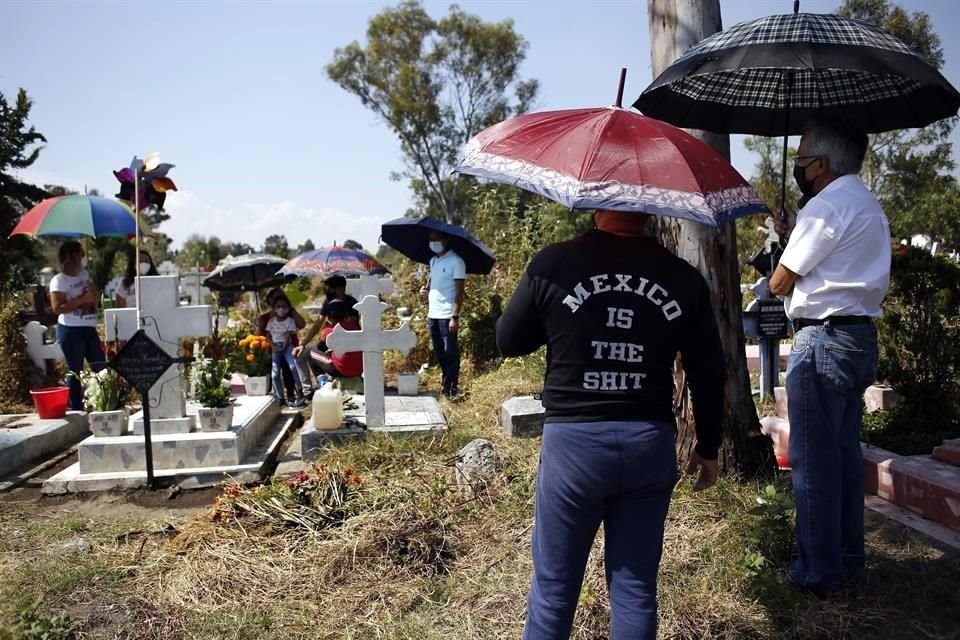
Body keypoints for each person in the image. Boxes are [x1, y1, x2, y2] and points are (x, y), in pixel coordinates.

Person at [497, 210, 724, 640]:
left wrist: (563, 319)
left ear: (597, 203)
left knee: (554, 590)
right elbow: (709, 372)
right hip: (647, 443)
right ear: (653, 209)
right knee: (635, 589)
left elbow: (509, 339)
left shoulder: (554, 264)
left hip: (574, 448)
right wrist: (708, 447)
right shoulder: (683, 277)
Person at [771, 117, 890, 598]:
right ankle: (846, 562)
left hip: (822, 340)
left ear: (819, 164)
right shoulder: (864, 202)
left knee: (813, 463)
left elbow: (782, 280)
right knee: (841, 458)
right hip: (858, 336)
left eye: (801, 158)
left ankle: (816, 572)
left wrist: (784, 255)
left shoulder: (827, 205)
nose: (798, 166)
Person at [48, 241, 105, 410]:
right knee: (75, 370)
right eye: (80, 253)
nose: (83, 257)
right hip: (70, 330)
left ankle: (105, 401)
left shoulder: (85, 275)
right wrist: (81, 300)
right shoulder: (59, 281)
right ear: (72, 255)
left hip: (89, 328)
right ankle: (76, 407)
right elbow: (57, 308)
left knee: (100, 366)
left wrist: (93, 294)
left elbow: (94, 300)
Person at [419, 231, 465, 398]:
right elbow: (433, 286)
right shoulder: (433, 261)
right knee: (440, 353)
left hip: (447, 316)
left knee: (450, 353)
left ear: (445, 240)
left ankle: (452, 388)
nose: (432, 243)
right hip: (433, 315)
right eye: (430, 240)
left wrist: (455, 316)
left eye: (436, 239)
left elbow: (460, 292)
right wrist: (425, 292)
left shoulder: (456, 262)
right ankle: (446, 384)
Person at [293, 275, 359, 389]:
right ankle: (324, 381)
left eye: (332, 289)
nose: (329, 292)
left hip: (349, 345)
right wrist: (302, 344)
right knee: (318, 349)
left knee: (313, 352)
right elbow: (317, 325)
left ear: (341, 288)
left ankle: (325, 383)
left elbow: (354, 329)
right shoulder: (329, 302)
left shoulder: (352, 303)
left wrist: (332, 328)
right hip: (335, 341)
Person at [258, 287, 306, 397]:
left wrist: (291, 310)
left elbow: (302, 324)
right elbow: (262, 334)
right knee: (274, 372)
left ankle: (293, 393)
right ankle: (278, 395)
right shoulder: (266, 318)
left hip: (289, 346)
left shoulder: (289, 316)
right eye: (276, 299)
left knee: (290, 369)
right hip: (272, 348)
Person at [305, 299, 363, 380]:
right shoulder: (354, 327)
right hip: (359, 369)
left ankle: (322, 381)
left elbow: (321, 348)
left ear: (328, 317)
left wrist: (325, 329)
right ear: (346, 314)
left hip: (340, 370)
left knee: (309, 352)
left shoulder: (329, 330)